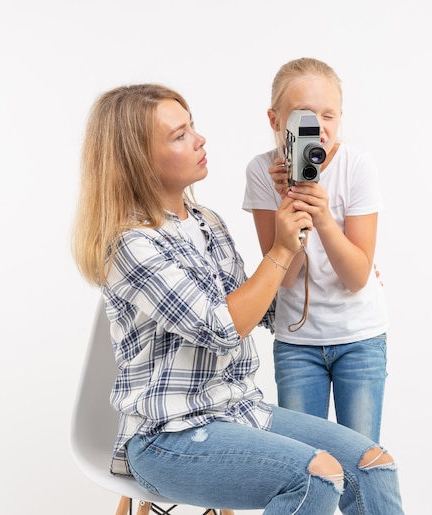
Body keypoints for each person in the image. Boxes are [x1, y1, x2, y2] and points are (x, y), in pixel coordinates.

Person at [72, 83, 403, 514]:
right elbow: (221, 327)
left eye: (192, 127)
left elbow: (260, 308)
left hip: (241, 410)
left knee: (373, 465)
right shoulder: (131, 244)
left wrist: (334, 270)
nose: (200, 139)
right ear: (138, 160)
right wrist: (280, 252)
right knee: (314, 477)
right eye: (179, 135)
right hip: (168, 437)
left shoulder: (208, 223)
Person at [243, 57, 390, 443]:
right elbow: (285, 277)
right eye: (304, 117)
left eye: (329, 116)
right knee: (304, 465)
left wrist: (322, 215)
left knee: (360, 460)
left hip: (359, 338)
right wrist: (287, 204)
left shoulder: (357, 167)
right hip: (298, 342)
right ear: (276, 121)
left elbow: (358, 277)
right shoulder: (262, 171)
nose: (319, 128)